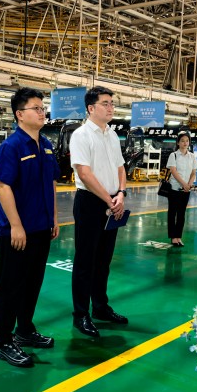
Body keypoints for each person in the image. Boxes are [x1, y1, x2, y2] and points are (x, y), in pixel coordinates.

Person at [0, 87, 61, 367]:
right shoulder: (12, 146)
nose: (42, 112)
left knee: (33, 282)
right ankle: (4, 341)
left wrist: (54, 218)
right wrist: (16, 226)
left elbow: (52, 183)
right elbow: (3, 186)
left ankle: (25, 330)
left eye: (43, 108)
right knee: (11, 286)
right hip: (17, 231)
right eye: (36, 108)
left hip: (42, 227)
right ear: (20, 114)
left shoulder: (46, 145)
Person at [69, 86, 128, 338]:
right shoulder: (81, 135)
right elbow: (84, 173)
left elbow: (121, 168)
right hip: (91, 203)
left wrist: (121, 193)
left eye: (112, 103)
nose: (111, 107)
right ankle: (80, 314)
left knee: (103, 261)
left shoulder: (112, 135)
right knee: (85, 261)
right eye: (105, 103)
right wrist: (109, 199)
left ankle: (101, 307)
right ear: (91, 108)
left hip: (113, 202)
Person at [165, 131, 197, 247]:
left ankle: (178, 236)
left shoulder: (192, 156)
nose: (185, 143)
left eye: (187, 141)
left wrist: (189, 184)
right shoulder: (173, 155)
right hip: (174, 189)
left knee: (181, 214)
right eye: (182, 141)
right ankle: (173, 237)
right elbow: (173, 172)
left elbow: (193, 173)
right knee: (172, 213)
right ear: (178, 143)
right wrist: (184, 184)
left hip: (186, 190)